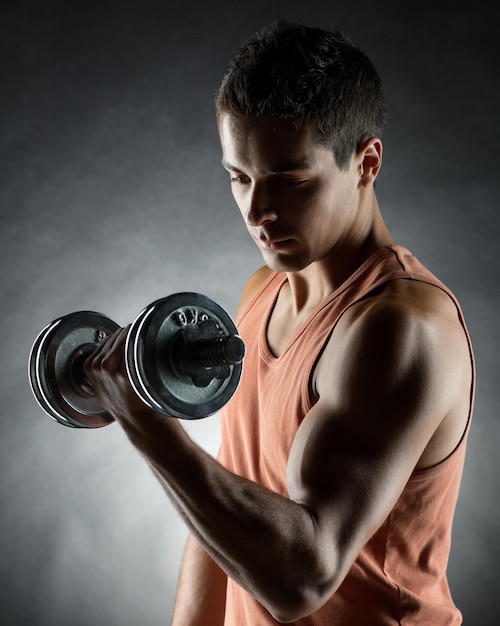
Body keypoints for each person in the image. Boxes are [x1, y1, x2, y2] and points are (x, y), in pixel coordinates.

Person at [86, 21, 475, 625]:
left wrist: (148, 427)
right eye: (239, 177)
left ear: (366, 162)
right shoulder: (262, 290)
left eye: (290, 181)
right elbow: (224, 500)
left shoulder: (401, 328)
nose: (257, 212)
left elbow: (305, 576)